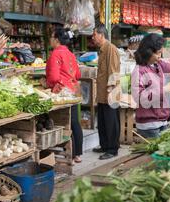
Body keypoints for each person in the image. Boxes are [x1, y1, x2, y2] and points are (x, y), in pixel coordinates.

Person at [131, 34, 170, 139]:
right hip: (149, 126)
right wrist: (164, 90)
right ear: (149, 52)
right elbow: (139, 98)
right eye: (158, 53)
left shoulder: (158, 64)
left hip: (163, 122)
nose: (160, 56)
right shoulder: (139, 71)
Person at [46, 27, 83, 164]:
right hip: (73, 90)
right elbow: (78, 74)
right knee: (74, 121)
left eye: (51, 37)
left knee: (65, 122)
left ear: (56, 39)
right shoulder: (70, 54)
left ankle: (70, 155)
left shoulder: (56, 54)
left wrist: (47, 82)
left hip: (62, 92)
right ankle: (77, 154)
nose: (50, 39)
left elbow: (54, 77)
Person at [92, 25, 121, 160]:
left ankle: (112, 149)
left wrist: (111, 90)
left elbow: (113, 71)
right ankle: (104, 145)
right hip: (103, 93)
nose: (93, 38)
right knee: (103, 121)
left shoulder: (111, 49)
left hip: (110, 93)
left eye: (94, 35)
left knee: (111, 121)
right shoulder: (102, 50)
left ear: (101, 35)